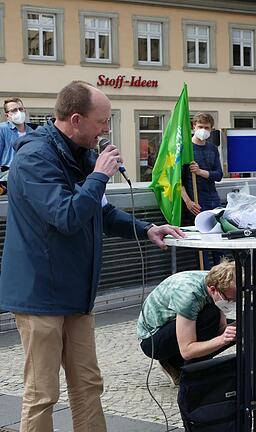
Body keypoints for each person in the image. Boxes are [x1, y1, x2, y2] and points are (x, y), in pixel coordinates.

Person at [0, 80, 183, 432]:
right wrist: (99, 175)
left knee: (88, 385)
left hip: (76, 293)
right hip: (40, 294)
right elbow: (67, 216)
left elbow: (99, 212)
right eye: (102, 121)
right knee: (42, 394)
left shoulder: (80, 155)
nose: (106, 129)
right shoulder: (34, 158)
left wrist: (146, 229)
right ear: (76, 119)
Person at [137, 261, 238, 385]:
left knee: (240, 328)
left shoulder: (216, 280)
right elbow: (187, 350)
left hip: (175, 325)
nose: (232, 303)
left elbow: (221, 327)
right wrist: (222, 339)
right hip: (152, 341)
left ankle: (174, 362)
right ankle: (191, 374)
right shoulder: (189, 295)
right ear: (213, 289)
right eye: (230, 299)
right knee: (211, 317)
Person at [182, 112, 224, 269]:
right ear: (194, 127)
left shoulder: (212, 149)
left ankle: (221, 278)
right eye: (200, 127)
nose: (203, 130)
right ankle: (205, 277)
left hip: (213, 200)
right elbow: (178, 181)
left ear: (211, 129)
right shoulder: (186, 149)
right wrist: (188, 201)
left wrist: (200, 172)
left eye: (206, 128)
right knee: (203, 247)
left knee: (218, 244)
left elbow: (219, 175)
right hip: (197, 202)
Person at [0, 97, 37, 174]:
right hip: (8, 174)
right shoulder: (2, 129)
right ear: (7, 115)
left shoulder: (32, 131)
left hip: (29, 173)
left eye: (20, 109)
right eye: (14, 110)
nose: (18, 112)